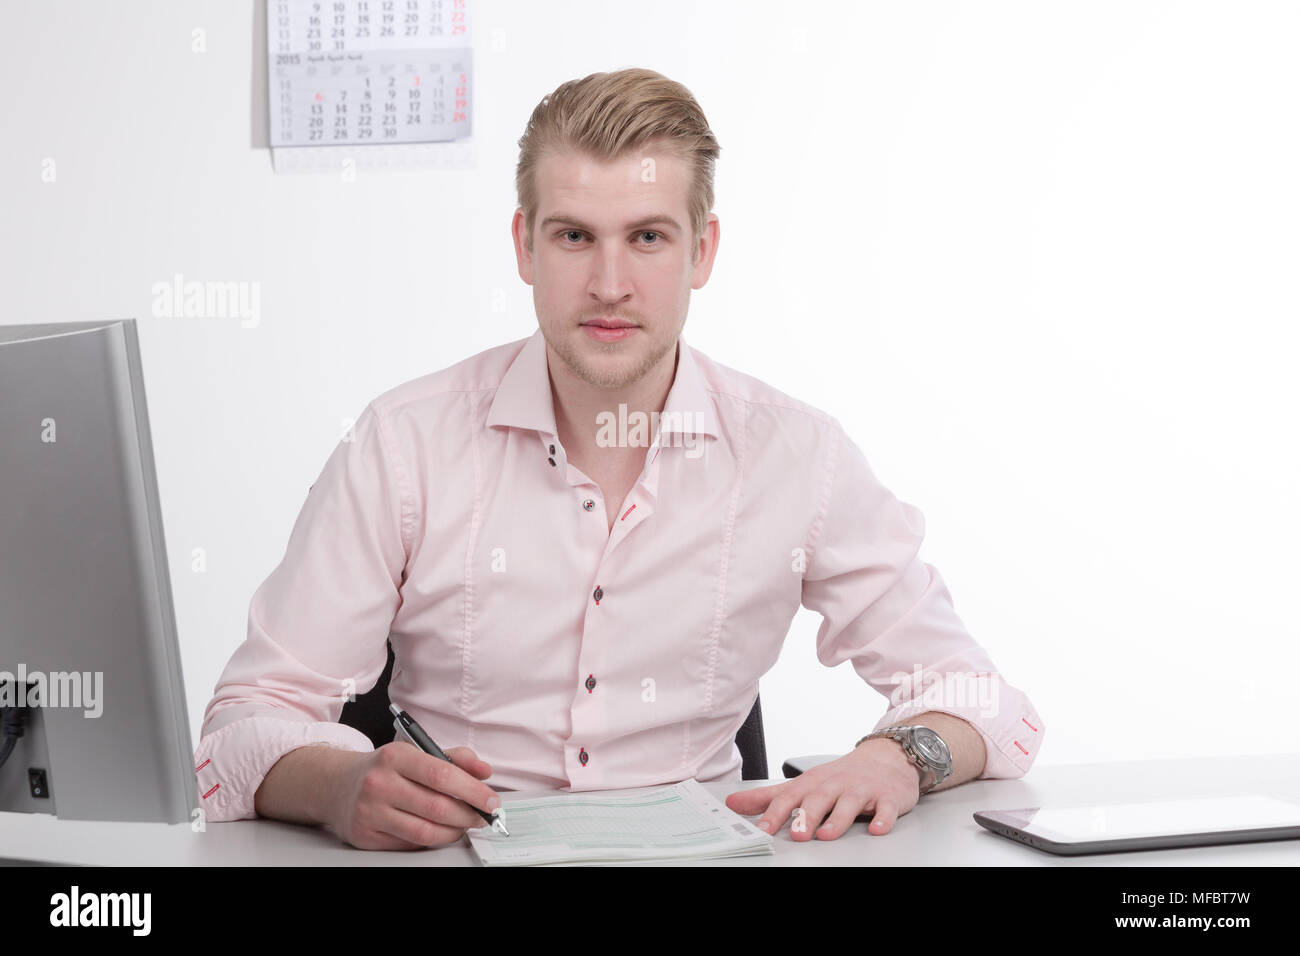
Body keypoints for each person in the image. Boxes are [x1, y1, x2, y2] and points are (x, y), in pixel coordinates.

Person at [193, 67, 1044, 850]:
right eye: (573, 237)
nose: (608, 283)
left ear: (702, 251)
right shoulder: (403, 444)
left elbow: (983, 700)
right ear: (525, 245)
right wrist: (341, 783)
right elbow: (243, 725)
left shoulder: (799, 457)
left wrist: (898, 758)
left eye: (646, 237)